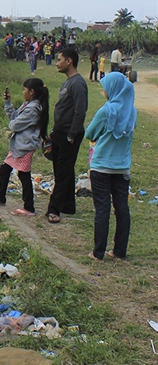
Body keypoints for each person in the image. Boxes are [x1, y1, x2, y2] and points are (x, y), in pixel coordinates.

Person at [85, 73, 136, 260]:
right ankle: (119, 251)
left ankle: (98, 253)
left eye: (105, 87)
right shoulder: (133, 111)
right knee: (122, 208)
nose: (104, 90)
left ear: (113, 89)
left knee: (102, 209)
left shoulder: (105, 111)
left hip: (101, 167)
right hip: (122, 167)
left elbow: (89, 133)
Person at [0, 78, 49, 216]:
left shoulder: (33, 109)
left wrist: (14, 122)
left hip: (25, 147)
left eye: (24, 89)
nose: (23, 92)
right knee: (5, 168)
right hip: (19, 145)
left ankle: (29, 207)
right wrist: (8, 103)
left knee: (23, 174)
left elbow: (14, 124)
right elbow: (14, 117)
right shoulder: (27, 104)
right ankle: (0, 197)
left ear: (31, 92)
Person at [45, 47, 89, 223]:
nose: (57, 63)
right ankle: (68, 205)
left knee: (62, 172)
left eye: (60, 59)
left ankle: (53, 209)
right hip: (60, 133)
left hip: (69, 135)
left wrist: (71, 135)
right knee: (64, 170)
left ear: (69, 61)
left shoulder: (78, 84)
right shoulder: (68, 82)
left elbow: (80, 112)